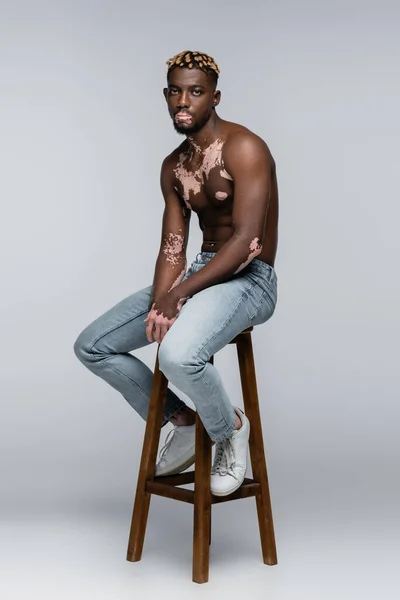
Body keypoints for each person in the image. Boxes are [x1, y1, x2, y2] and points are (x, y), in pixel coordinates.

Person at [74, 50, 279, 497]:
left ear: (215, 97)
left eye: (195, 92)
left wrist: (178, 296)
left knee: (177, 356)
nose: (183, 101)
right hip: (201, 273)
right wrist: (165, 296)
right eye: (175, 91)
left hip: (250, 279)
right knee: (93, 346)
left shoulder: (245, 148)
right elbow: (173, 246)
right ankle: (182, 421)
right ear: (166, 95)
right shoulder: (174, 166)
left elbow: (247, 242)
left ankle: (228, 428)